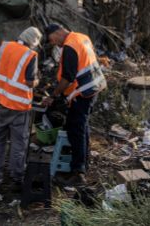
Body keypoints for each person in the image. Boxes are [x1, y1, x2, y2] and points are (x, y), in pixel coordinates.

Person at [42, 24, 107, 185]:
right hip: (94, 87)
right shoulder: (82, 37)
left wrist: (54, 95)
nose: (54, 44)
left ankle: (78, 172)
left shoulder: (69, 46)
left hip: (83, 92)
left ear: (57, 33)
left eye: (52, 40)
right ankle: (84, 162)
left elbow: (68, 77)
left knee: (75, 129)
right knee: (82, 127)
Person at [0, 26, 42, 193]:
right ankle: (17, 178)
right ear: (33, 42)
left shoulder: (4, 47)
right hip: (18, 107)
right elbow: (29, 81)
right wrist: (38, 81)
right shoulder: (30, 55)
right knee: (18, 144)